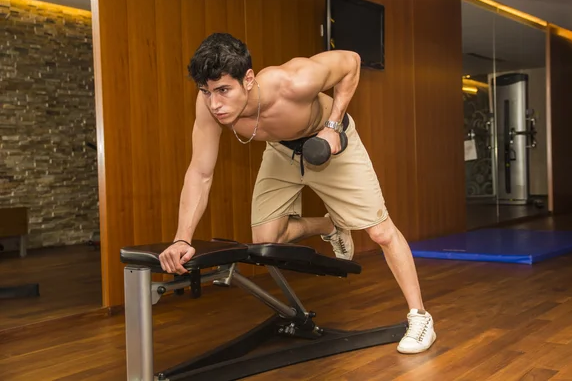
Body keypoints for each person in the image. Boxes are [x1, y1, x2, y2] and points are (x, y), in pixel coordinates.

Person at [158, 33, 436, 354]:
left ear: (248, 79)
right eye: (206, 92)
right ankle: (330, 226)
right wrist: (182, 238)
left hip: (328, 142)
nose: (215, 103)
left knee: (380, 231)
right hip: (280, 151)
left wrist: (332, 126)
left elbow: (351, 62)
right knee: (265, 243)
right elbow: (200, 172)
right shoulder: (208, 107)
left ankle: (420, 317)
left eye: (223, 90)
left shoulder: (294, 81)